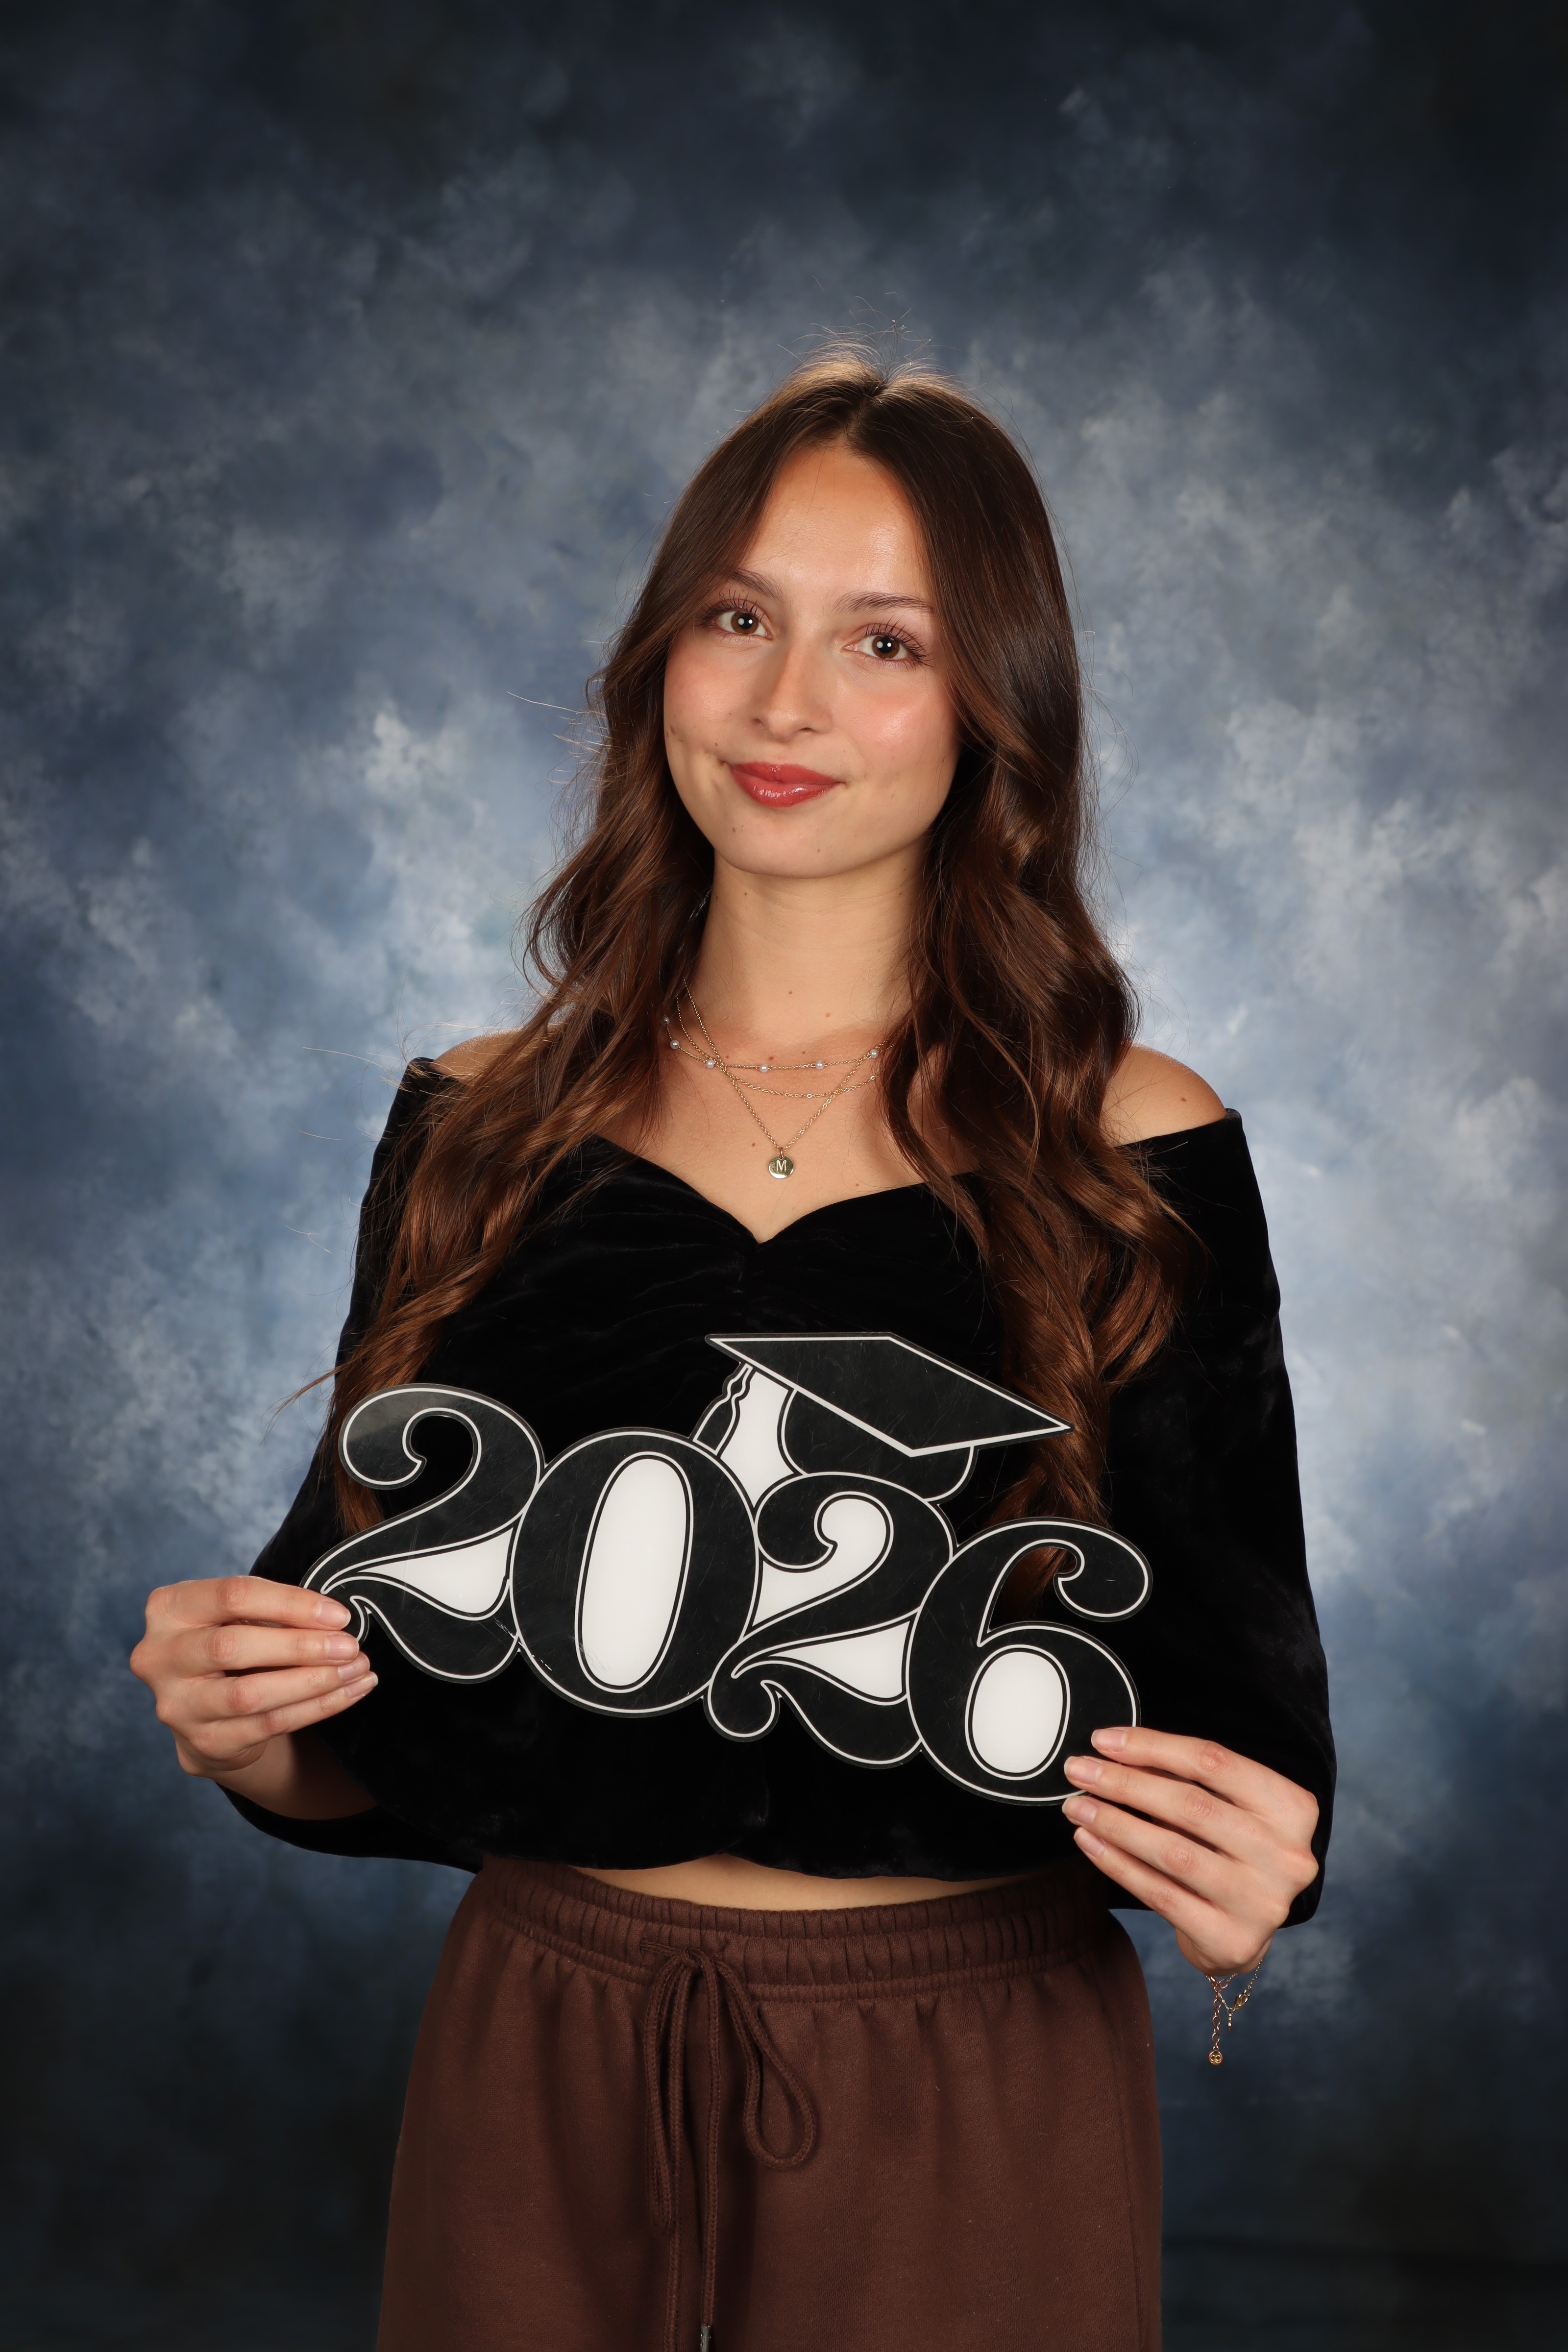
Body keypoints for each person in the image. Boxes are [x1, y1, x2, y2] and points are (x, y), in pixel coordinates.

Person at [130, 354, 1332, 2352]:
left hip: (965, 2063)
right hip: (539, 2032)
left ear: (995, 705)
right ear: (657, 663)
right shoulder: (480, 1117)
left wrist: (1248, 1877)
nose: (787, 704)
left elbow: (1248, 1732)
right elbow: (382, 1697)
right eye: (738, 618)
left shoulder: (1128, 1146)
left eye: (885, 641)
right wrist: (259, 1729)